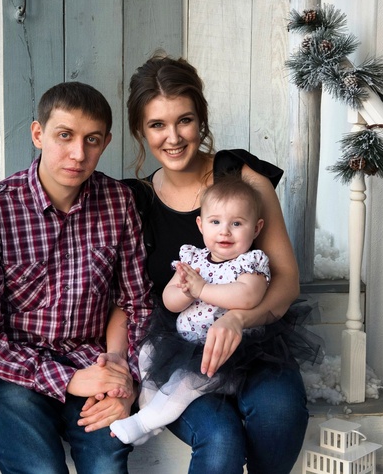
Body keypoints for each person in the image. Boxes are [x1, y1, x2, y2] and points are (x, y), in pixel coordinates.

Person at [121, 53, 322, 474]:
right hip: (180, 352)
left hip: (253, 338)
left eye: (184, 120)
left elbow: (286, 280)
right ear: (140, 130)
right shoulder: (135, 200)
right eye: (157, 125)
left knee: (279, 414)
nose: (173, 137)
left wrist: (238, 319)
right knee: (222, 438)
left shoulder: (243, 179)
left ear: (202, 119)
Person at [0, 81, 152, 474]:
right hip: (13, 369)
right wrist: (67, 380)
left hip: (91, 360)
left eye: (92, 140)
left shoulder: (118, 201)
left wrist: (124, 380)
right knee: (42, 469)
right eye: (65, 135)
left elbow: (136, 303)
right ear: (38, 134)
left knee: (107, 462)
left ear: (105, 143)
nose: (78, 154)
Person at [110, 177, 271, 445]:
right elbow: (169, 299)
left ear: (256, 228)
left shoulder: (250, 262)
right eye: (215, 222)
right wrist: (185, 292)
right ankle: (151, 412)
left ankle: (143, 422)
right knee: (147, 352)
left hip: (223, 355)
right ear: (200, 224)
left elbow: (247, 296)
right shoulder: (192, 258)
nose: (224, 232)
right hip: (182, 342)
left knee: (186, 380)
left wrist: (202, 289)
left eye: (237, 224)